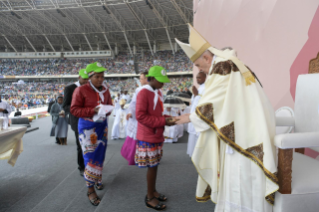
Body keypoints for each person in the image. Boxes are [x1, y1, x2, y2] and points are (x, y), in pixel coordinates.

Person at [175, 24, 279, 211]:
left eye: (199, 65)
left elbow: (211, 103)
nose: (201, 70)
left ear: (207, 58)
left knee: (239, 181)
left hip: (244, 138)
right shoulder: (232, 64)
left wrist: (189, 118)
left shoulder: (223, 67)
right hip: (247, 130)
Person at [71, 62, 113, 206]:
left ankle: (98, 178)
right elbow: (74, 110)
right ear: (90, 76)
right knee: (89, 156)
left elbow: (110, 107)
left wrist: (106, 110)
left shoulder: (106, 90)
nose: (101, 79)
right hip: (87, 127)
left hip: (102, 126)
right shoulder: (81, 90)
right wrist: (92, 111)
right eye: (97, 76)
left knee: (100, 155)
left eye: (102, 76)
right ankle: (90, 189)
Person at [135, 66, 176, 211]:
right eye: (160, 81)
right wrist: (163, 121)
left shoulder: (156, 91)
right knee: (152, 167)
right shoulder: (143, 93)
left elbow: (156, 114)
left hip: (155, 133)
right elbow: (140, 116)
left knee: (155, 165)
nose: (163, 84)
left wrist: (166, 118)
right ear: (150, 79)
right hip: (148, 135)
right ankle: (149, 197)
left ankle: (153, 191)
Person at [62, 69, 89, 176]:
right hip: (77, 121)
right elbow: (65, 106)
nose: (86, 81)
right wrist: (80, 110)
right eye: (84, 79)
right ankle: (82, 167)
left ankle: (90, 165)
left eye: (88, 79)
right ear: (79, 77)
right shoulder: (70, 88)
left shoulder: (90, 88)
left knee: (90, 143)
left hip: (90, 119)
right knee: (81, 144)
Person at [121, 71, 148, 165]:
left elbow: (133, 104)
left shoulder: (140, 90)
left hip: (141, 117)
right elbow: (133, 104)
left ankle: (139, 157)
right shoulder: (157, 89)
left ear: (146, 79)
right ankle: (147, 157)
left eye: (141, 78)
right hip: (146, 117)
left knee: (140, 137)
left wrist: (131, 112)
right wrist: (131, 112)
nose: (140, 80)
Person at [187, 72, 206, 157]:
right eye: (197, 78)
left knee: (199, 136)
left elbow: (203, 102)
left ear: (205, 78)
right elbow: (193, 102)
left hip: (200, 116)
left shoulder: (206, 87)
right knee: (193, 135)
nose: (197, 80)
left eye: (199, 78)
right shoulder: (200, 87)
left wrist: (196, 95)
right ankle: (193, 154)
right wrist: (195, 96)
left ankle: (199, 156)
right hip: (194, 115)